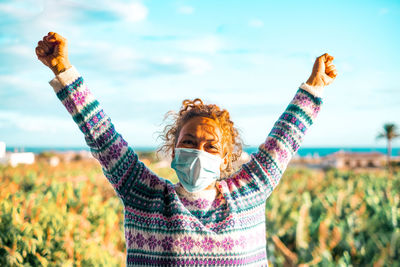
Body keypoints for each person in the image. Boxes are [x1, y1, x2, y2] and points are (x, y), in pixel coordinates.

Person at [36, 32, 337, 266]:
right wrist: (62, 69)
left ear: (224, 160)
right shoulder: (144, 195)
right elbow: (102, 134)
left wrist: (314, 86)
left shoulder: (249, 193)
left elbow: (283, 139)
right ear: (174, 148)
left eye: (210, 146)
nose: (198, 152)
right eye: (189, 143)